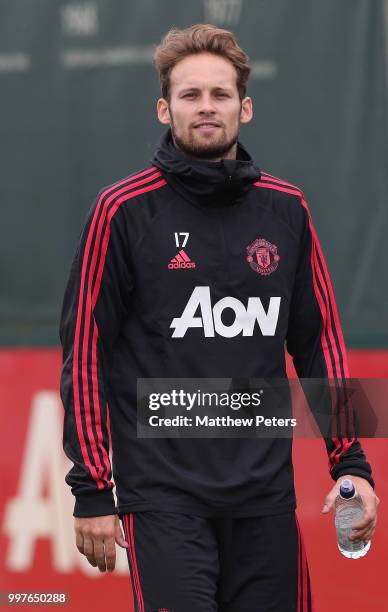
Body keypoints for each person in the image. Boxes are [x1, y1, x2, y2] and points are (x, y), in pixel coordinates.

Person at [60, 23, 379, 612]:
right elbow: (84, 354)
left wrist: (350, 462)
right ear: (165, 108)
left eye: (220, 94)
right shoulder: (122, 210)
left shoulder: (288, 208)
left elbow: (319, 342)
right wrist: (92, 489)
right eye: (190, 95)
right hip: (164, 500)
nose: (206, 107)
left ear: (245, 107)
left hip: (265, 498)